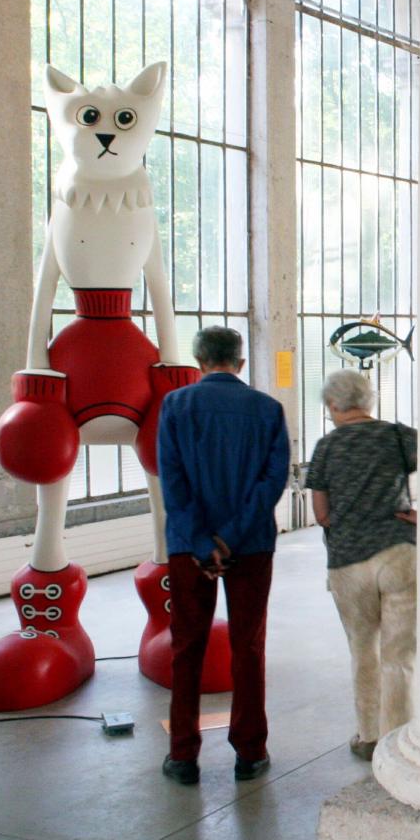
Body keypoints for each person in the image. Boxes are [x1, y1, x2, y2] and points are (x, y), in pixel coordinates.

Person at [156, 327, 290, 785]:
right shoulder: (268, 411)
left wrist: (201, 542)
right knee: (247, 647)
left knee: (185, 648)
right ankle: (250, 753)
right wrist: (231, 538)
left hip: (187, 548)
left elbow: (171, 483)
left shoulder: (174, 407)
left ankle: (183, 757)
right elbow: (272, 483)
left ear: (198, 361)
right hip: (251, 545)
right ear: (241, 363)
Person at [305, 368, 417, 761]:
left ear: (334, 405)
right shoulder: (398, 436)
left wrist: (349, 521)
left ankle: (369, 736)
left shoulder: (326, 446)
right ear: (367, 401)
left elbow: (320, 512)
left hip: (349, 562)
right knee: (400, 652)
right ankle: (399, 736)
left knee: (362, 648)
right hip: (400, 553)